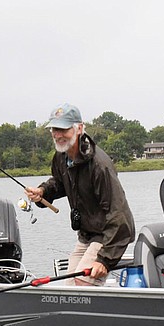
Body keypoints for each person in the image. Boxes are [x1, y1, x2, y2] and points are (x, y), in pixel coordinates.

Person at [25, 103, 135, 286]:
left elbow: (120, 215)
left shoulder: (100, 166)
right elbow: (59, 182)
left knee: (83, 283)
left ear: (79, 128)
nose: (58, 134)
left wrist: (104, 259)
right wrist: (43, 191)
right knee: (69, 288)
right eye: (54, 129)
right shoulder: (61, 156)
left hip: (107, 235)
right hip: (86, 235)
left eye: (63, 129)